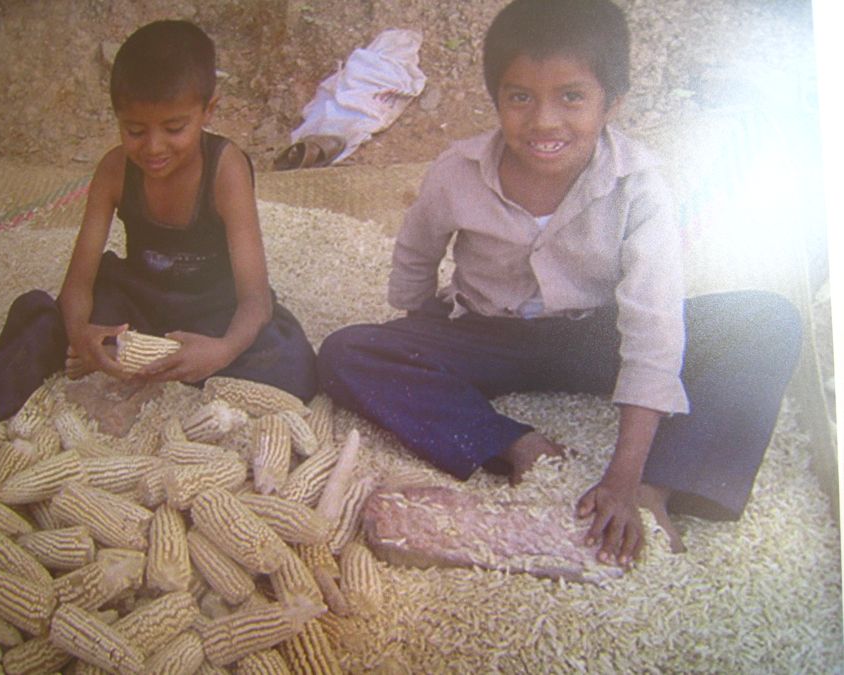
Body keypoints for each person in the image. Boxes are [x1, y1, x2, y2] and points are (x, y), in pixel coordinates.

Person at [317, 0, 801, 566]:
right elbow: (416, 252)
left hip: (599, 337)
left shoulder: (640, 190)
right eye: (520, 96)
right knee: (347, 350)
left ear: (611, 104)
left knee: (769, 322)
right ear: (496, 98)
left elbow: (652, 327)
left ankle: (661, 489)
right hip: (487, 331)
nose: (544, 121)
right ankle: (513, 444)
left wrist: (624, 479)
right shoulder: (457, 171)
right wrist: (417, 321)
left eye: (571, 97)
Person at [0, 20, 317, 446]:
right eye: (134, 131)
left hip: (210, 304)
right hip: (136, 302)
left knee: (293, 367)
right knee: (49, 329)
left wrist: (223, 350)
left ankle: (188, 359)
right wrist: (81, 334)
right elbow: (77, 285)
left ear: (209, 111)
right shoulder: (114, 170)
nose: (153, 148)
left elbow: (255, 297)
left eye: (174, 128)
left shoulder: (225, 170)